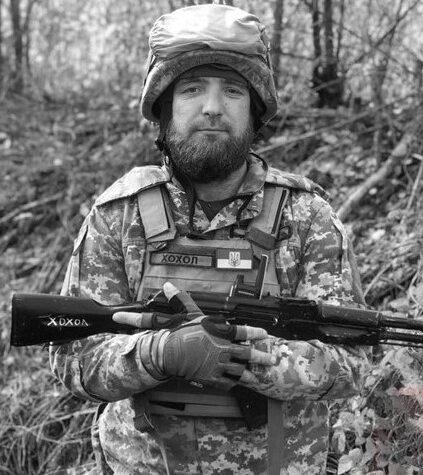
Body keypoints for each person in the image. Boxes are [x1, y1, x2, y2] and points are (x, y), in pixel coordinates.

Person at [50, 4, 370, 474]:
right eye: (192, 89)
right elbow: (73, 359)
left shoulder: (306, 218)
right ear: (164, 109)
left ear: (254, 112)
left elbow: (354, 362)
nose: (213, 107)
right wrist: (160, 354)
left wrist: (248, 357)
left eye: (233, 91)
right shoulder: (120, 215)